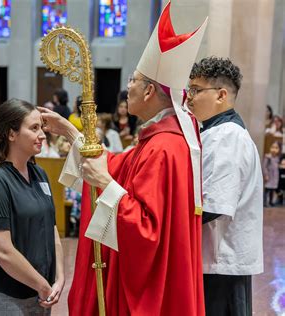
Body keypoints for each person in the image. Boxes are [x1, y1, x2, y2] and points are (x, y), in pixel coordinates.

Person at [40, 3, 207, 314]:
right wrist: (69, 132)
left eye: (133, 80)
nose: (127, 87)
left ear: (149, 92)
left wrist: (102, 181)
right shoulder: (160, 141)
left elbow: (145, 229)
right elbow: (116, 165)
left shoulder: (163, 149)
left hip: (147, 289)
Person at [0, 98, 64, 315]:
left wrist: (59, 278)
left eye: (41, 127)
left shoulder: (39, 174)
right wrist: (43, 285)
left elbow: (52, 229)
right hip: (2, 296)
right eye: (34, 128)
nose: (42, 134)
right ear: (11, 134)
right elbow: (3, 250)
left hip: (40, 293)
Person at [187, 56, 263, 316]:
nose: (189, 97)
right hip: (214, 262)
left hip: (221, 264)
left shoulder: (228, 137)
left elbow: (214, 205)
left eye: (196, 90)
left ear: (221, 95)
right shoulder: (214, 132)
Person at [263, 141, 280, 207]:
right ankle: (265, 202)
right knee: (267, 190)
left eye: (276, 148)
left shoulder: (277, 158)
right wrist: (266, 175)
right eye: (273, 147)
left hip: (275, 177)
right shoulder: (268, 157)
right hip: (269, 176)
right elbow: (264, 166)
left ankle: (270, 202)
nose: (274, 149)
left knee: (272, 190)